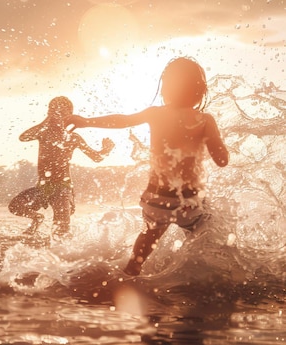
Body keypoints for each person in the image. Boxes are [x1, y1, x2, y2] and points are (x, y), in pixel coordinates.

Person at [67, 57, 229, 275]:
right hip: (188, 202)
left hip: (157, 200)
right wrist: (214, 141)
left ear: (166, 88)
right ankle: (202, 278)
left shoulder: (155, 114)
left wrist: (86, 121)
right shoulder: (204, 120)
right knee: (208, 232)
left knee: (146, 242)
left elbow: (121, 120)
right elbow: (222, 160)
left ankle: (130, 274)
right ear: (200, 90)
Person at [9, 96, 114, 237]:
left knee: (61, 229)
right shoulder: (44, 133)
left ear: (69, 116)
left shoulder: (73, 138)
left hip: (63, 188)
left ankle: (62, 253)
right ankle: (37, 217)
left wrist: (106, 150)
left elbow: (96, 157)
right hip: (42, 187)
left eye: (61, 112)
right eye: (52, 111)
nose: (56, 115)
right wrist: (46, 121)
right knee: (15, 206)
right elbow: (24, 137)